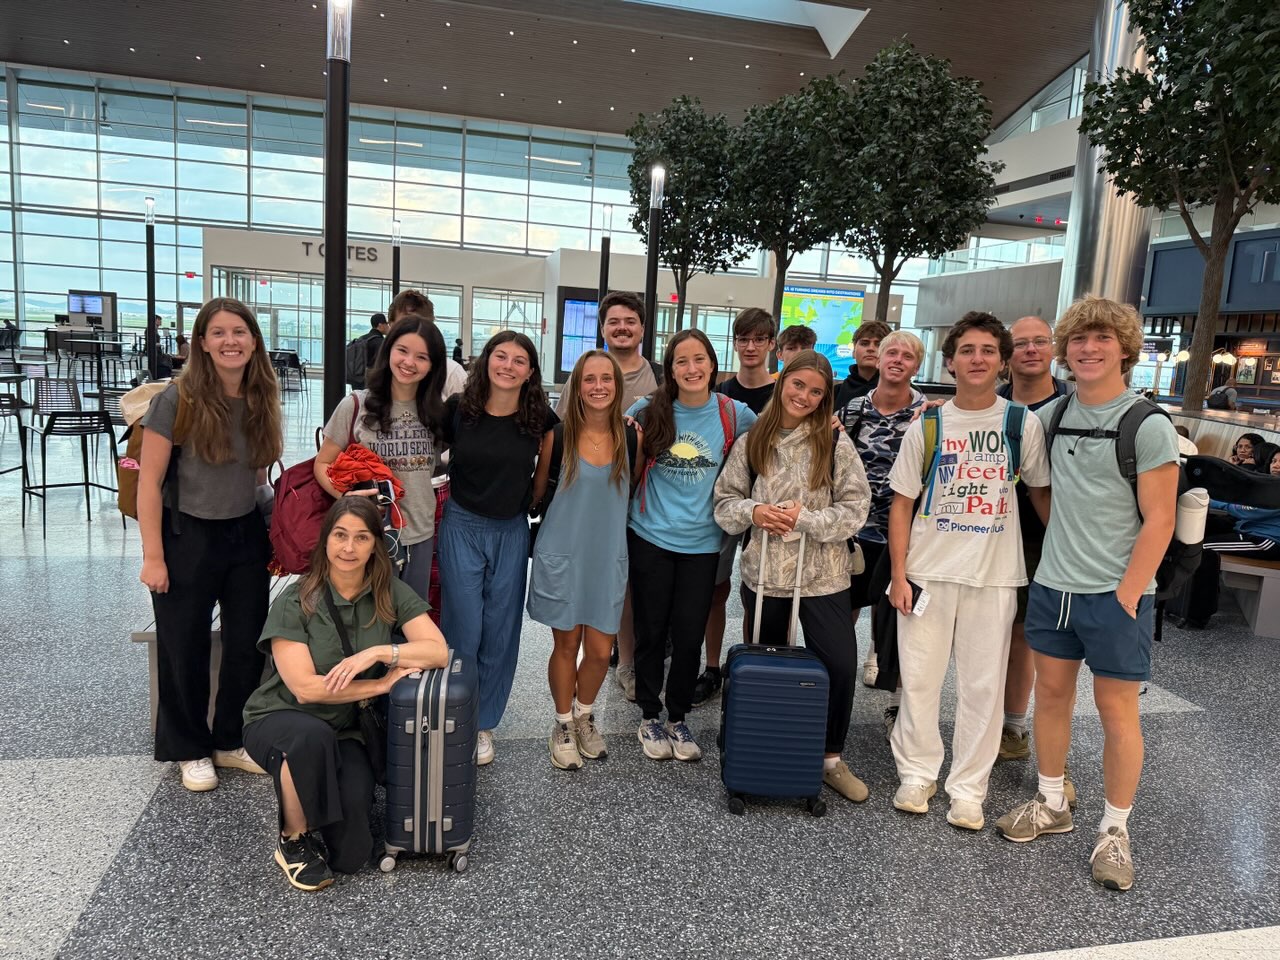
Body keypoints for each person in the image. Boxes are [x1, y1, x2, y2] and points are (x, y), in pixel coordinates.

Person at [995, 296, 1180, 893]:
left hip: (1115, 595)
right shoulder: (1055, 415)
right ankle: (1051, 802)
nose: (1088, 348)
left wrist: (1128, 594)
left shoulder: (1147, 424)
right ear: (1065, 350)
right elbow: (1041, 489)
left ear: (1124, 348)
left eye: (1101, 339)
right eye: (1078, 339)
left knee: (1116, 711)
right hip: (1055, 586)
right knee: (1050, 697)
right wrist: (1062, 548)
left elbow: (1160, 520)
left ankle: (1116, 830)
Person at [886, 311, 1051, 831]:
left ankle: (968, 788)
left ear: (1002, 362)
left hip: (994, 575)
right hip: (928, 571)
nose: (977, 359)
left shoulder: (1022, 424)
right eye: (967, 350)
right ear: (951, 361)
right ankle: (917, 772)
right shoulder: (929, 423)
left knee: (983, 686)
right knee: (919, 679)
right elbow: (901, 504)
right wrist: (898, 573)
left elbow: (1043, 496)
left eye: (987, 351)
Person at [241, 497, 448, 891]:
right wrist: (381, 684)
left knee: (352, 856)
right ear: (326, 541)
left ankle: (316, 796)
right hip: (278, 718)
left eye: (361, 537)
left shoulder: (388, 592)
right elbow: (305, 689)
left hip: (345, 729)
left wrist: (378, 652)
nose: (348, 548)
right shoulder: (297, 598)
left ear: (376, 545)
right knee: (308, 738)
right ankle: (293, 838)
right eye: (339, 536)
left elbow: (436, 649)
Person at [137, 297, 284, 792]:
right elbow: (150, 481)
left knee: (247, 643)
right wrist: (153, 557)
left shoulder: (262, 395)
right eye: (218, 332)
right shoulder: (177, 400)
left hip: (244, 535)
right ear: (202, 342)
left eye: (239, 331)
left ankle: (228, 739)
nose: (230, 341)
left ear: (253, 340)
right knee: (184, 645)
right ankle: (190, 748)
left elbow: (258, 477)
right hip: (187, 535)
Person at [715, 350, 872, 801]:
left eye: (816, 391)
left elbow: (856, 509)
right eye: (798, 385)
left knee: (840, 664)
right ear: (783, 382)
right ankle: (760, 747)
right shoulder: (753, 441)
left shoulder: (834, 442)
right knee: (766, 666)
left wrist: (805, 519)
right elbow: (725, 505)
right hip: (765, 574)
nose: (804, 396)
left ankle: (829, 758)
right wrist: (757, 511)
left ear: (826, 398)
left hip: (823, 574)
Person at [627, 329, 755, 761]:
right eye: (682, 361)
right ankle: (649, 715)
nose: (691, 368)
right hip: (651, 535)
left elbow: (779, 432)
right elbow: (612, 435)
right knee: (652, 630)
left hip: (704, 544)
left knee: (688, 634)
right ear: (671, 368)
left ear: (713, 364)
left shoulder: (733, 413)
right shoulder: (648, 409)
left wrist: (825, 421)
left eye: (699, 359)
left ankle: (678, 715)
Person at [439, 330, 557, 766]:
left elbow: (542, 477)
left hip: (510, 529)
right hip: (461, 526)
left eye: (519, 360)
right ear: (486, 361)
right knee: (463, 628)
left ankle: (484, 723)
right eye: (501, 356)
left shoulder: (539, 418)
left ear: (530, 372)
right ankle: (457, 713)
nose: (508, 365)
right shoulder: (459, 411)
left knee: (501, 632)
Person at [529, 350, 636, 769]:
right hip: (564, 553)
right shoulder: (559, 436)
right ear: (577, 385)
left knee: (598, 648)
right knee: (566, 643)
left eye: (606, 379)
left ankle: (584, 714)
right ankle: (562, 723)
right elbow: (539, 492)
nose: (598, 386)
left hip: (607, 555)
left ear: (616, 384)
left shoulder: (632, 437)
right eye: (589, 379)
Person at [558, 292, 664, 703]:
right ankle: (614, 665)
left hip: (642, 498)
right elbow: (565, 433)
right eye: (613, 321)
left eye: (630, 321)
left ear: (641, 327)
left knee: (629, 587)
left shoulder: (658, 376)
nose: (622, 327)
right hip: (590, 499)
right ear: (602, 328)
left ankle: (631, 660)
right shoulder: (583, 374)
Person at [314, 313, 446, 600]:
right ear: (388, 352)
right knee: (365, 622)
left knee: (408, 625)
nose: (409, 362)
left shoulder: (437, 412)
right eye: (402, 351)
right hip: (366, 535)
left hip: (420, 536)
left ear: (433, 365)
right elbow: (322, 463)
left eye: (422, 357)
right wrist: (346, 498)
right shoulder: (356, 405)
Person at [994, 316, 1074, 767]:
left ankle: (1017, 725)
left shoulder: (1071, 404)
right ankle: (989, 720)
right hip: (994, 530)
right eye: (1020, 343)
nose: (1030, 350)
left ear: (1053, 348)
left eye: (1038, 342)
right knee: (994, 629)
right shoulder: (993, 402)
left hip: (1052, 533)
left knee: (1033, 635)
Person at [839, 331, 927, 719]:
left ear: (917, 366)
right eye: (891, 352)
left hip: (907, 534)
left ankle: (897, 704)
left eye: (907, 356)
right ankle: (836, 679)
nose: (897, 360)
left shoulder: (930, 414)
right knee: (843, 610)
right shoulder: (855, 408)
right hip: (855, 531)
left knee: (899, 617)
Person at [693, 307, 778, 706]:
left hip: (771, 506)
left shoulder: (784, 392)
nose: (750, 346)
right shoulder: (722, 394)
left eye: (758, 339)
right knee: (713, 589)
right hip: (725, 503)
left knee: (757, 592)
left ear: (771, 344)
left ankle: (753, 666)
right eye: (743, 339)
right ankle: (712, 667)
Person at [387, 290, 466, 399]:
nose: (415, 331)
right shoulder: (384, 365)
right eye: (406, 324)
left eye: (423, 325)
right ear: (391, 325)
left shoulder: (451, 372)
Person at [834, 320, 892, 411]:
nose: (871, 348)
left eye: (878, 344)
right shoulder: (835, 393)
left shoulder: (907, 393)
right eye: (864, 343)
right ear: (853, 351)